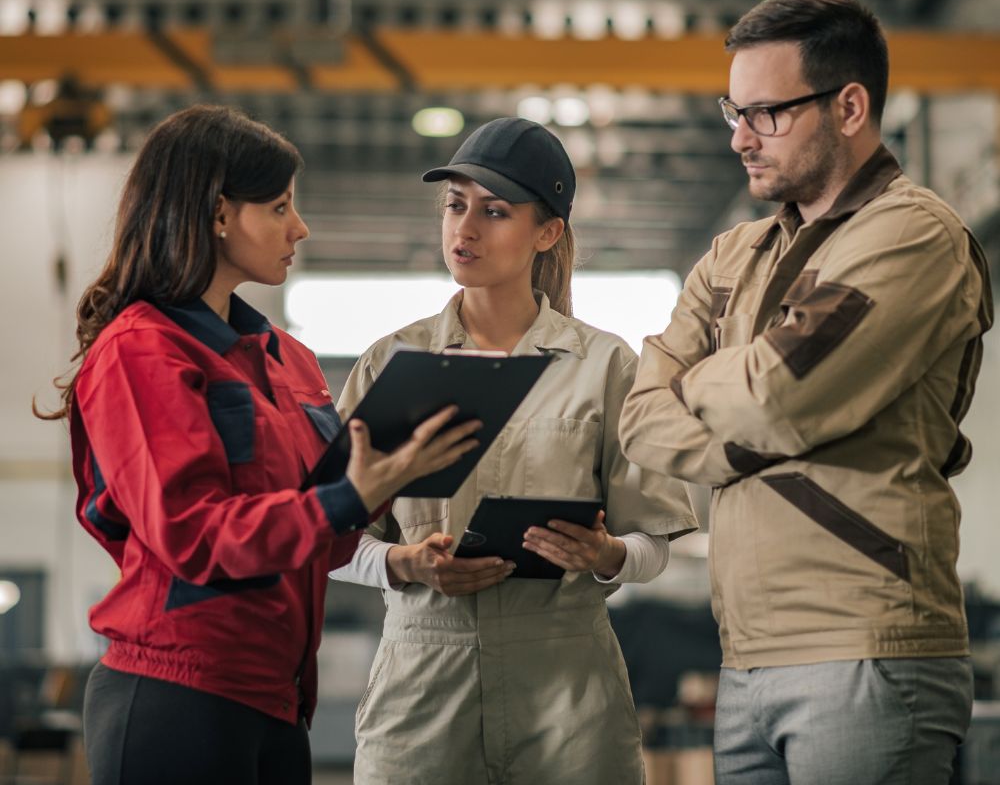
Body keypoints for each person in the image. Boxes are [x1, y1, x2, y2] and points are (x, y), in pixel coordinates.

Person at [35, 105, 481, 785]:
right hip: (178, 695)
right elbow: (191, 534)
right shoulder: (142, 351)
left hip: (275, 702)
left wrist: (395, 547)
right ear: (218, 214)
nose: (298, 227)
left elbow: (316, 533)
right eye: (278, 207)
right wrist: (346, 496)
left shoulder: (289, 362)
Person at [619, 0, 994, 785]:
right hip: (747, 656)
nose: (739, 138)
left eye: (766, 114)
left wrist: (717, 387)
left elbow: (773, 397)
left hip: (865, 649)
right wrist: (752, 400)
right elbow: (640, 416)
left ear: (850, 105)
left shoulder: (911, 236)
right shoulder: (736, 255)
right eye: (733, 110)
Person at [330, 117, 697, 785]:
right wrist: (406, 563)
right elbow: (331, 541)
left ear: (547, 232)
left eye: (495, 211)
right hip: (422, 681)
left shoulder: (604, 365)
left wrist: (607, 555)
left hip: (567, 688)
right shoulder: (392, 362)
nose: (464, 229)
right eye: (455, 205)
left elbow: (653, 542)